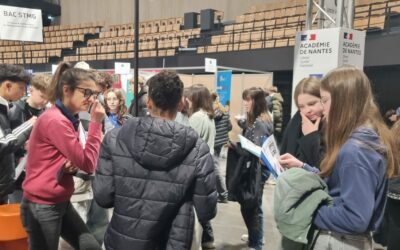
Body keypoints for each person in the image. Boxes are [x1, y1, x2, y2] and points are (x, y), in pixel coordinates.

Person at [93, 71, 217, 250]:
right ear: (181, 103)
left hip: (121, 241)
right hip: (173, 242)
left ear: (148, 102)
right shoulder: (197, 149)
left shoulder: (115, 139)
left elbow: (103, 197)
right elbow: (207, 209)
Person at [279, 66, 399, 250]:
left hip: (339, 241)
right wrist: (304, 167)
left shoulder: (355, 151)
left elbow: (354, 218)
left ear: (343, 102)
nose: (323, 108)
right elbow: (339, 182)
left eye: (324, 100)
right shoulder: (361, 141)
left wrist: (307, 210)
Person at [20, 62, 105, 250]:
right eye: (87, 93)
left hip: (58, 201)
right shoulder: (56, 120)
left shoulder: (66, 118)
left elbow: (46, 157)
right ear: (67, 90)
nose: (91, 99)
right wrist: (96, 123)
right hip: (42, 205)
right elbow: (88, 163)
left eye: (95, 94)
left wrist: (62, 167)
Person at [235, 87, 273, 250]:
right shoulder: (258, 119)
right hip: (257, 168)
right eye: (245, 99)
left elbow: (259, 150)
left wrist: (243, 147)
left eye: (248, 99)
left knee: (253, 206)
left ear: (256, 102)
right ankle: (255, 236)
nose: (245, 103)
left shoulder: (261, 122)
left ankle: (256, 243)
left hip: (258, 169)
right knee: (252, 205)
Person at [8, 73, 52, 203]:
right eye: (42, 96)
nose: (45, 101)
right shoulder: (14, 111)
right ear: (31, 90)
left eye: (48, 98)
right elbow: (8, 143)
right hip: (18, 175)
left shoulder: (47, 112)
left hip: (40, 175)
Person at [186, 84, 217, 249]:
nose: (187, 102)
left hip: (196, 165)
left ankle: (204, 239)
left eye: (189, 98)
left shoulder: (197, 118)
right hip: (206, 162)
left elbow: (189, 142)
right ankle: (208, 239)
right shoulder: (208, 116)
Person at [0, 64, 34, 204]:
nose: (23, 93)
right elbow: (2, 144)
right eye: (20, 88)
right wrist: (29, 125)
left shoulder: (5, 107)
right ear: (8, 86)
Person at [280, 77, 325, 167]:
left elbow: (324, 167)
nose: (307, 110)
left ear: (323, 100)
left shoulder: (332, 125)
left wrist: (312, 136)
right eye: (301, 106)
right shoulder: (296, 122)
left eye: (312, 104)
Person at [211, 91, 231, 203]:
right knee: (215, 165)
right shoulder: (223, 109)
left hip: (214, 142)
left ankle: (223, 194)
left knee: (216, 167)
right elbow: (229, 127)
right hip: (221, 142)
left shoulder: (211, 112)